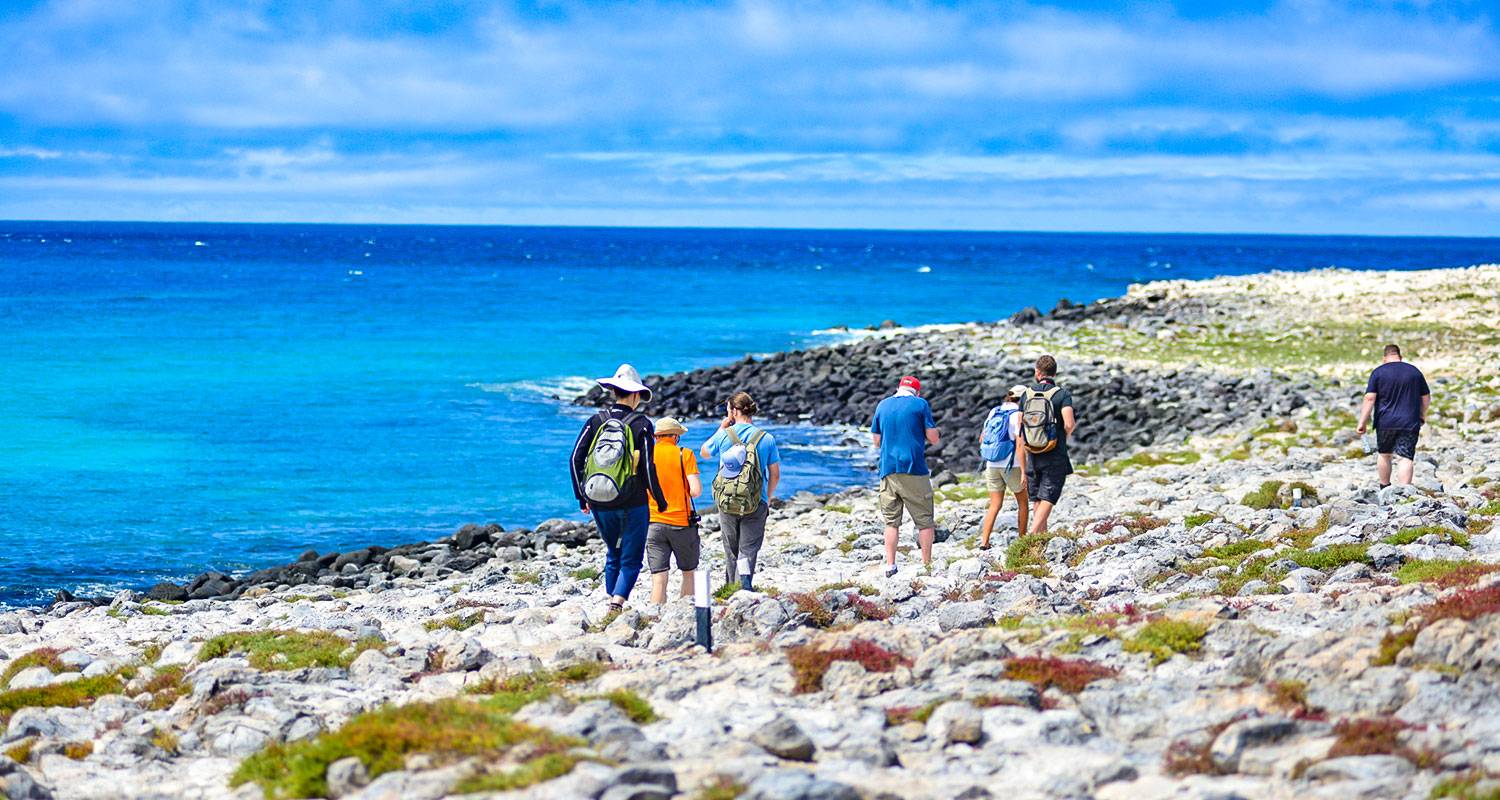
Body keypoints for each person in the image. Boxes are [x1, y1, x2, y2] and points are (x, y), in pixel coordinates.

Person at [570, 364, 667, 614]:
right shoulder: (642, 424)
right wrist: (659, 499)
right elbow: (647, 466)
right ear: (635, 394)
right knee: (631, 558)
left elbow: (574, 460)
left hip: (599, 500)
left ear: (614, 391)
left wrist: (582, 497)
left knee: (613, 552)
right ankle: (617, 603)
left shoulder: (596, 420)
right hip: (633, 502)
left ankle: (610, 601)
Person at [701, 392, 781, 589]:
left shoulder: (724, 435)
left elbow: (704, 452)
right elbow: (775, 474)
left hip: (727, 500)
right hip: (756, 501)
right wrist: (767, 498)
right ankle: (743, 589)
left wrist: (722, 427)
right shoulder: (766, 438)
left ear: (734, 411)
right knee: (748, 549)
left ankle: (730, 589)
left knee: (731, 549)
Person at [871, 375, 940, 577]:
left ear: (898, 388)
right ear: (916, 392)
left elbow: (876, 441)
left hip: (888, 469)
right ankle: (926, 566)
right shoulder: (920, 404)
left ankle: (890, 565)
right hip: (913, 468)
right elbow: (933, 438)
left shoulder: (882, 405)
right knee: (925, 521)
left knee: (891, 522)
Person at [1356, 344, 1431, 489]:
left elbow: (1369, 398)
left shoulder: (1378, 372)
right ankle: (1404, 492)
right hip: (1409, 421)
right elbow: (1426, 397)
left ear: (1384, 358)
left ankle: (1384, 487)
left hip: (1385, 422)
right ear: (1400, 357)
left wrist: (1362, 422)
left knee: (1384, 455)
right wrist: (1422, 414)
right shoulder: (1414, 371)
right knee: (1405, 457)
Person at [646, 417, 702, 605]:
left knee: (659, 579)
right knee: (688, 573)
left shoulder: (646, 455)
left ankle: (654, 619)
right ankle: (682, 615)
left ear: (656, 436)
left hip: (653, 523)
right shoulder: (684, 454)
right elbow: (695, 491)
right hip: (681, 523)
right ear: (676, 436)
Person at [1019, 355, 1075, 536]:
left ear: (1037, 372)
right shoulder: (1062, 395)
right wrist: (1061, 436)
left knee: (1037, 497)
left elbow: (1020, 425)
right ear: (1055, 373)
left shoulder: (1026, 394)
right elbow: (1069, 423)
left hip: (1032, 452)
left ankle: (1040, 540)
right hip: (1054, 451)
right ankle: (1032, 535)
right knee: (1049, 496)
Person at [978, 386, 1029, 549]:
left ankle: (984, 542)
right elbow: (1020, 445)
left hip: (991, 463)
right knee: (1023, 503)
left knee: (995, 504)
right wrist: (1023, 470)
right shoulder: (1017, 415)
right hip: (1011, 464)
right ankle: (1022, 541)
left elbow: (982, 438)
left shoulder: (994, 412)